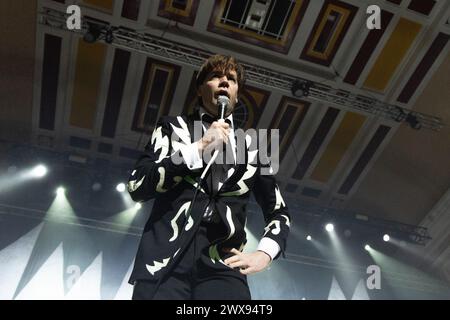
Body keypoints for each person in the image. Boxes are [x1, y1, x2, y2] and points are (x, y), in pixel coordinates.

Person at [127, 54, 291, 300]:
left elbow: (279, 211)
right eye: (216, 76)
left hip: (224, 264)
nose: (225, 82)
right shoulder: (172, 127)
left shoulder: (259, 145)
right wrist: (197, 149)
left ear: (237, 93)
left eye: (232, 79)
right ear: (199, 88)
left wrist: (265, 253)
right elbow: (137, 186)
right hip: (163, 258)